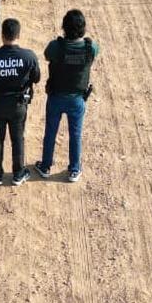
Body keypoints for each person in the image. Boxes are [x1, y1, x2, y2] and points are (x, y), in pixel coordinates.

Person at [35, 9, 99, 183]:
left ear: (64, 27)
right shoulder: (90, 47)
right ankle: (74, 169)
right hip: (77, 99)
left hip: (56, 96)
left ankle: (45, 166)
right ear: (83, 28)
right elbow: (95, 54)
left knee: (50, 132)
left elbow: (47, 55)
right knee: (75, 135)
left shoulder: (56, 47)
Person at [0, 18, 40, 186]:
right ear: (18, 35)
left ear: (2, 35)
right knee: (17, 139)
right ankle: (18, 173)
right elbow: (37, 78)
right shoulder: (29, 56)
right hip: (18, 105)